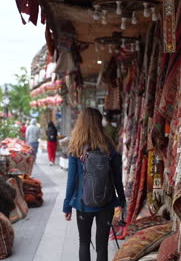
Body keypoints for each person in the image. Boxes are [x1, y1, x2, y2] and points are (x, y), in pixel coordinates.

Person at [63, 108, 125, 261]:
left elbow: (71, 179)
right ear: (99, 123)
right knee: (102, 245)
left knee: (84, 242)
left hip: (83, 203)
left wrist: (67, 206)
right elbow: (117, 177)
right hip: (107, 203)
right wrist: (121, 200)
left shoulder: (76, 146)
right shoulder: (109, 145)